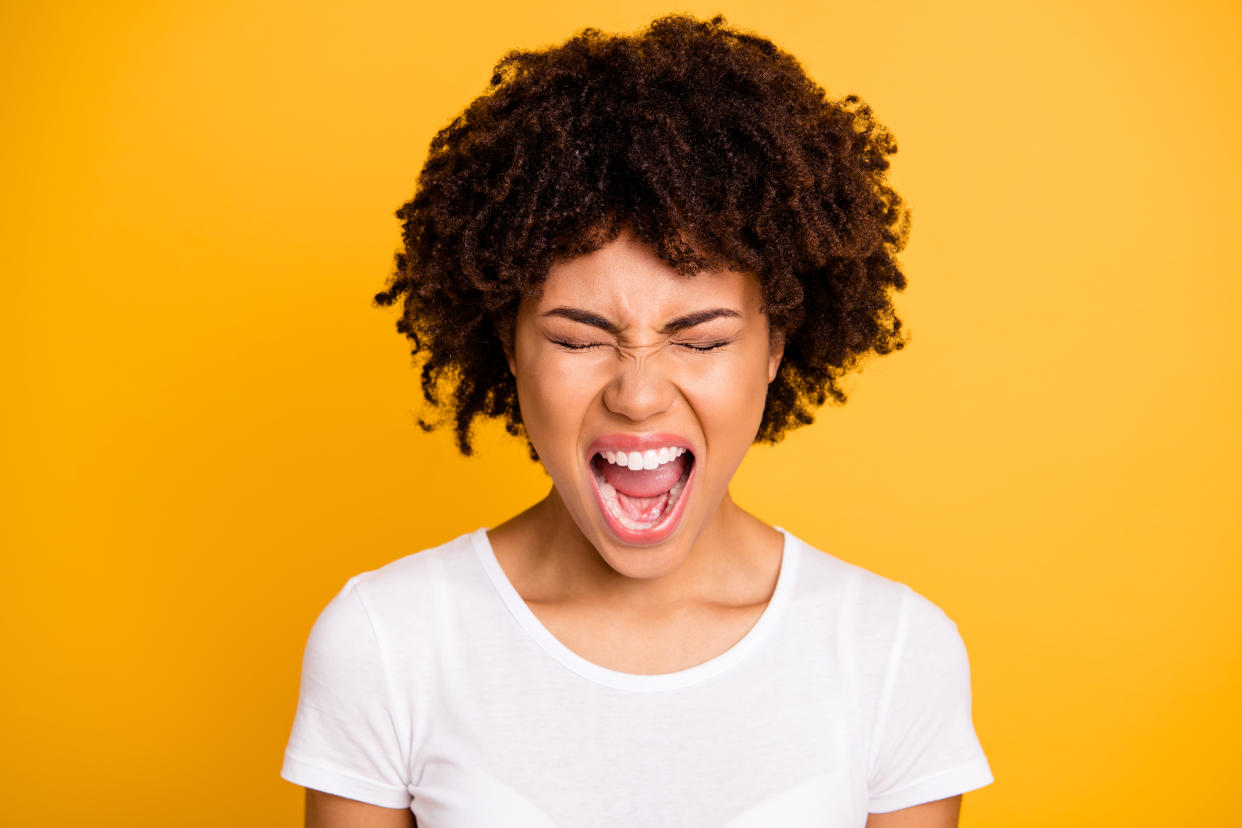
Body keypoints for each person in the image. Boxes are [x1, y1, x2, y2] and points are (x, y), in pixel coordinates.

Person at [280, 14, 993, 828]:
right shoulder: (387, 640)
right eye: (580, 337)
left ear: (775, 348)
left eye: (703, 338)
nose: (640, 392)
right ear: (510, 349)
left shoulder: (894, 651)